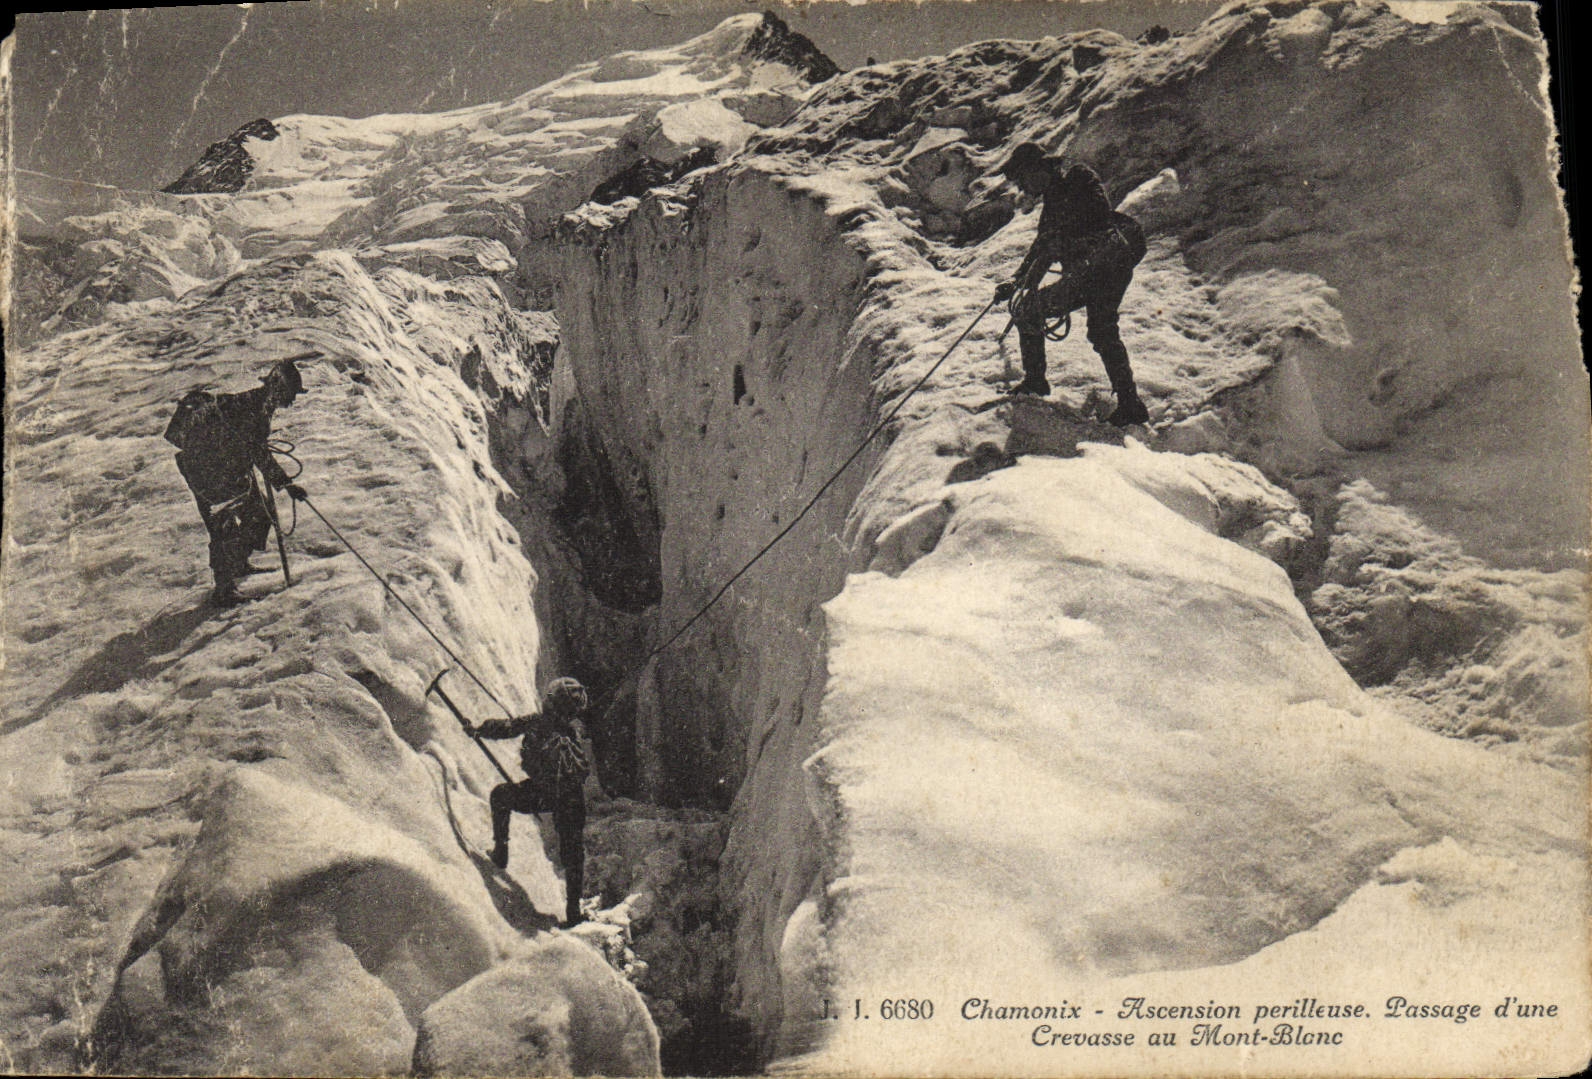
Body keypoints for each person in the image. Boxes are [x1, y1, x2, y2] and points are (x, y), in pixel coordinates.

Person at [993, 143, 1150, 426]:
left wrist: (1062, 243)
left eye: (1023, 179)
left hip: (1110, 266)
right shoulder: (1051, 204)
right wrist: (1017, 283)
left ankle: (1131, 405)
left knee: (1102, 330)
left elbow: (1098, 218)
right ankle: (1035, 381)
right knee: (1028, 310)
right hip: (1082, 275)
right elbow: (1041, 250)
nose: (1024, 189)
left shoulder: (1079, 178)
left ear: (1039, 169)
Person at [166, 358, 308, 606]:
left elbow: (254, 448)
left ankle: (238, 565)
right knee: (224, 529)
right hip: (208, 473)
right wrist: (286, 484)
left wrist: (283, 483)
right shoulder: (254, 406)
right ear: (278, 388)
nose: (292, 400)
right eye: (291, 393)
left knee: (262, 514)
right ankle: (224, 591)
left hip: (229, 470)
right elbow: (259, 452)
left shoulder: (260, 405)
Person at [466, 677, 591, 927]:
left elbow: (506, 727)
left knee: (501, 795)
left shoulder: (538, 721)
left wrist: (478, 729)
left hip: (543, 793)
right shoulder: (572, 731)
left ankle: (501, 850)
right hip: (571, 798)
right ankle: (574, 911)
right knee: (573, 855)